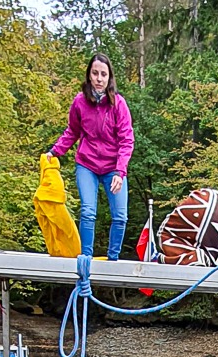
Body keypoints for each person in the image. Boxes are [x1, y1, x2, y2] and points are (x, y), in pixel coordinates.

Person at [49, 53, 135, 261]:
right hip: (87, 164)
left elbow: (126, 140)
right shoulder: (80, 102)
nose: (99, 78)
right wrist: (54, 152)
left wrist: (120, 172)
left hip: (113, 167)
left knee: (120, 217)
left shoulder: (118, 104)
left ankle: (112, 260)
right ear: (89, 76)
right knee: (88, 212)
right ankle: (85, 259)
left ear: (109, 78)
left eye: (103, 74)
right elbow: (72, 132)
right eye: (95, 73)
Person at [156, 188, 218, 268]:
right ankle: (196, 260)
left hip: (196, 206)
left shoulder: (212, 194)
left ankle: (189, 259)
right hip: (214, 211)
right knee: (209, 256)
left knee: (167, 235)